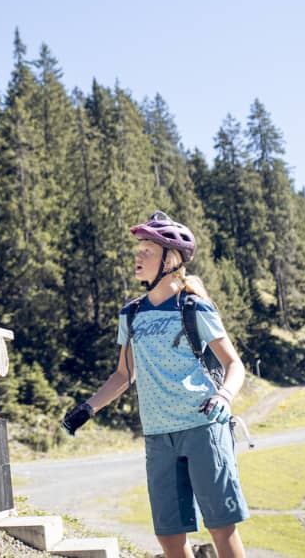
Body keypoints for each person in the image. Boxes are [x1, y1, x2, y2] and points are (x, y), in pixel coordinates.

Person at [61, 211, 249, 558]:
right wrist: (88, 408)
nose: (138, 256)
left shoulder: (193, 307)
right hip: (158, 434)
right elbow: (123, 374)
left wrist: (224, 396)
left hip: (203, 427)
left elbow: (233, 364)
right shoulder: (131, 314)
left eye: (148, 250)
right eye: (138, 249)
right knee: (169, 537)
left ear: (171, 259)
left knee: (221, 527)